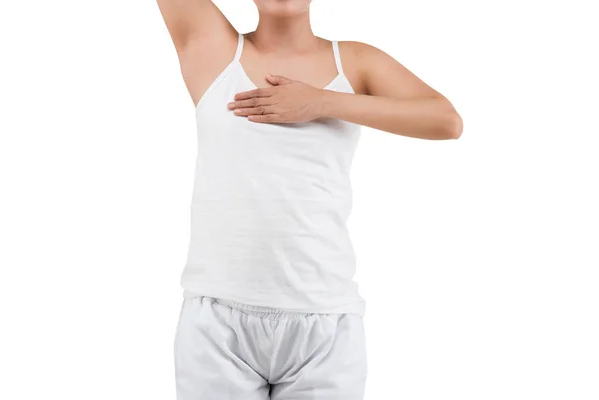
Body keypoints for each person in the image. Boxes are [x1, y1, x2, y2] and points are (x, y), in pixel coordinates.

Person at [156, 1, 462, 399]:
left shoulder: (354, 61)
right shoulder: (211, 49)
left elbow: (446, 121)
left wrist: (322, 102)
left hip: (325, 324)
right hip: (218, 322)